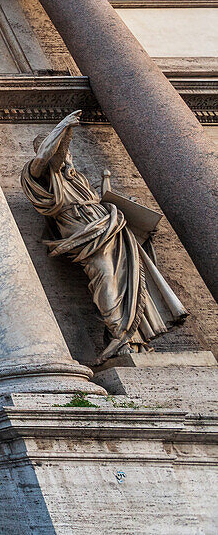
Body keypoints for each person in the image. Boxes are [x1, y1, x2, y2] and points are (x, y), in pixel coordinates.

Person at [21, 110, 186, 363]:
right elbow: (46, 156)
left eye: (67, 154)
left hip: (108, 225)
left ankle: (130, 340)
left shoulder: (77, 179)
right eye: (60, 152)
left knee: (127, 281)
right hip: (84, 234)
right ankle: (120, 334)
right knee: (105, 279)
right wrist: (64, 127)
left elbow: (96, 197)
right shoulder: (40, 175)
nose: (66, 158)